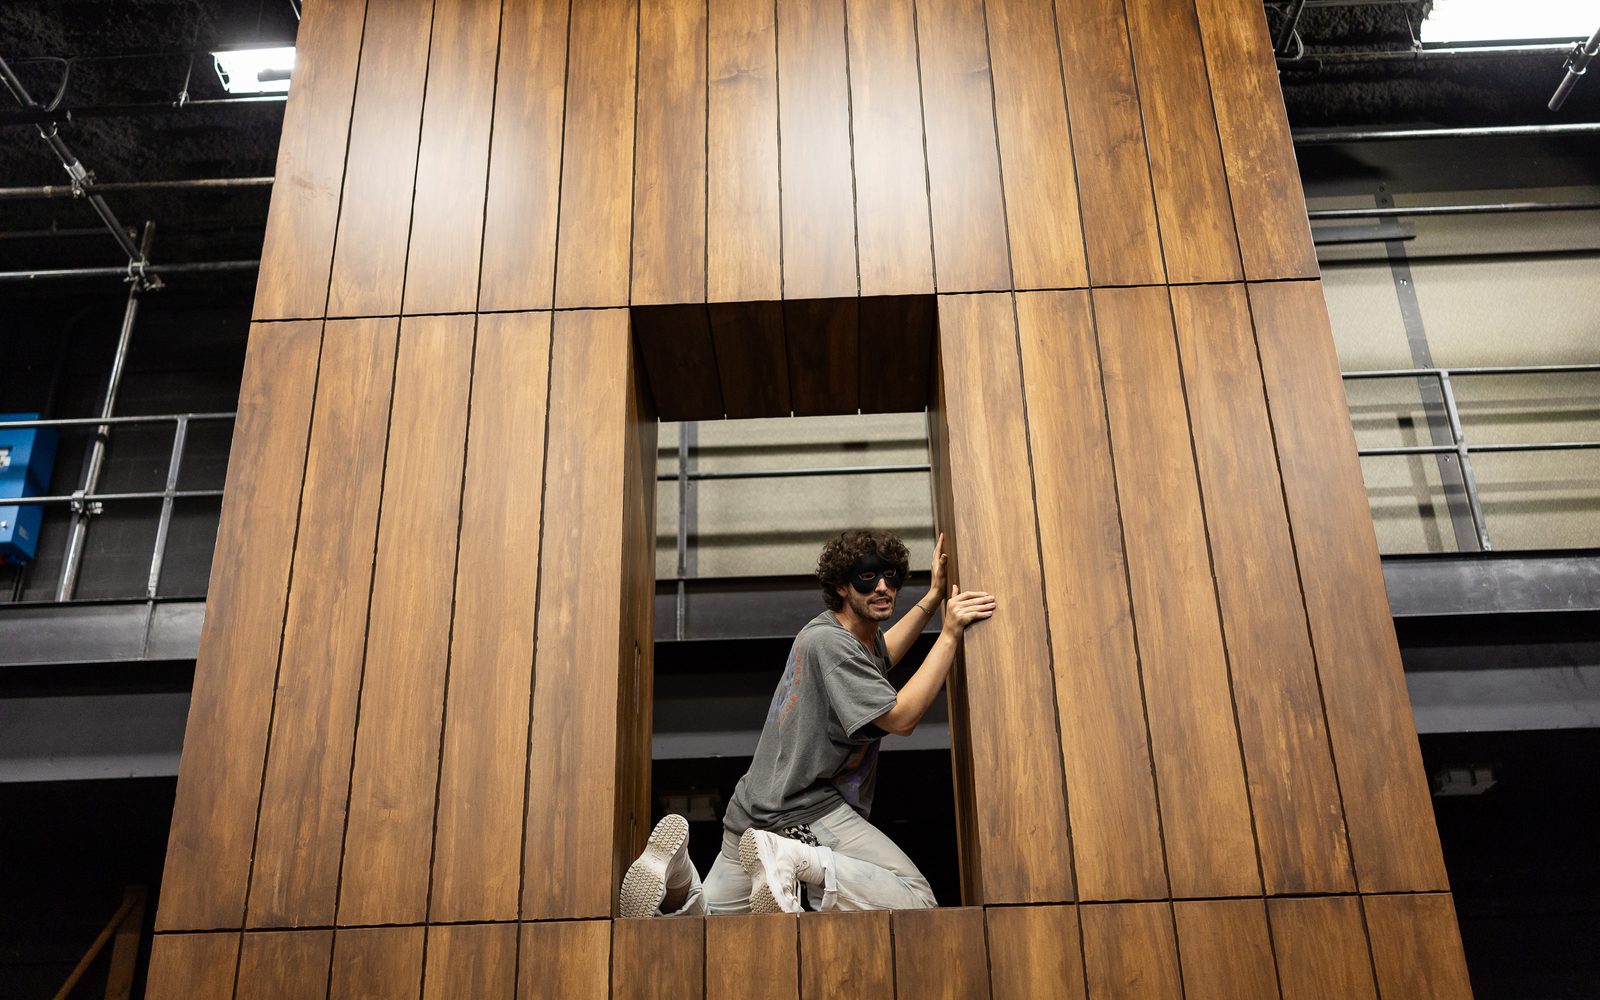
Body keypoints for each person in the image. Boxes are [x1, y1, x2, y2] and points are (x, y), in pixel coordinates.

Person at [619, 528, 996, 916]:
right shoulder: (834, 646)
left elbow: (882, 656)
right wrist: (949, 633)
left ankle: (679, 878)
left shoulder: (833, 633)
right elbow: (901, 719)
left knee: (707, 929)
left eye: (891, 577)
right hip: (805, 812)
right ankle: (797, 858)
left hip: (749, 817)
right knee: (916, 899)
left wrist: (932, 600)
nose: (883, 587)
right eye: (867, 577)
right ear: (841, 586)